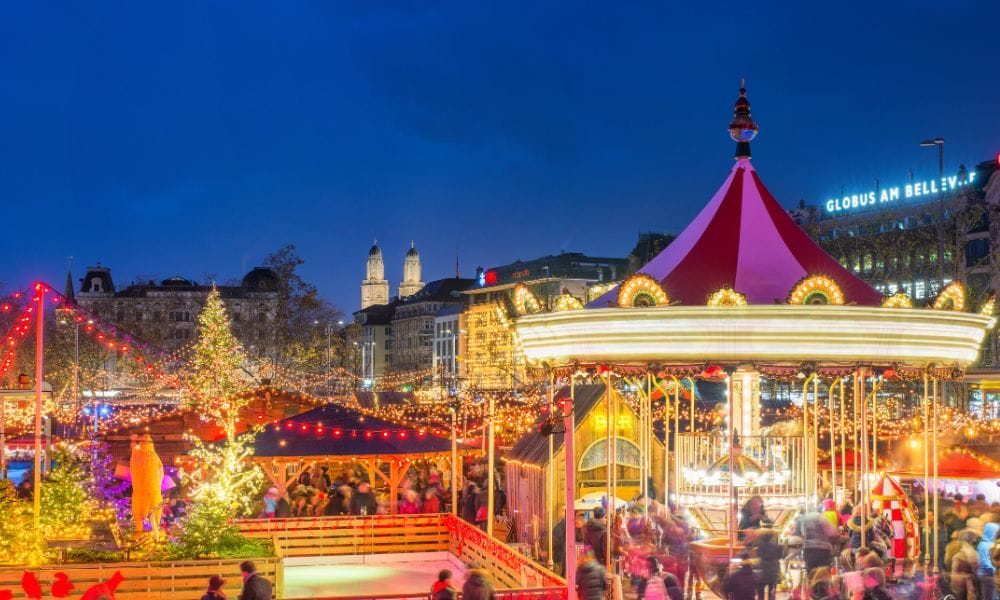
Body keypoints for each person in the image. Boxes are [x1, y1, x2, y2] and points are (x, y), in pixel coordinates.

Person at [800, 507, 840, 573]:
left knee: (811, 574)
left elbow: (803, 533)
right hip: (821, 550)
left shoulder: (805, 519)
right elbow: (831, 532)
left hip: (808, 549)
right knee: (823, 574)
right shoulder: (820, 517)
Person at [977, 522, 999, 600]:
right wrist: (996, 569)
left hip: (988, 575)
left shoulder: (990, 544)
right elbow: (985, 562)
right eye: (995, 532)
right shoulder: (984, 545)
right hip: (986, 575)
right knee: (989, 596)